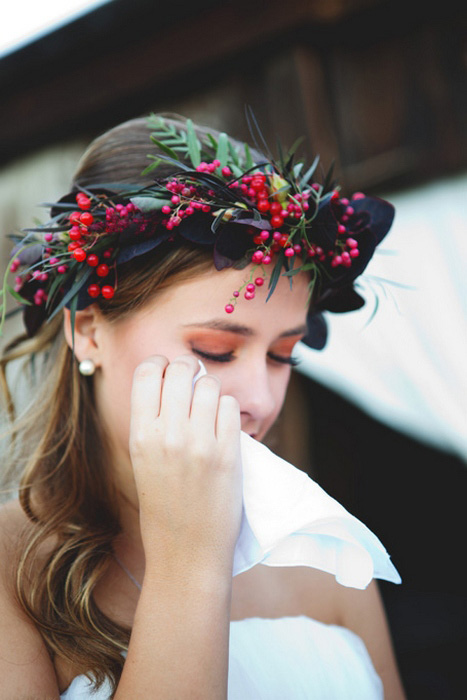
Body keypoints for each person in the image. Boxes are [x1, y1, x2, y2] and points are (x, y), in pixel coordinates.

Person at [0, 114, 406, 699]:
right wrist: (189, 565)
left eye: (282, 356)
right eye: (214, 351)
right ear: (88, 331)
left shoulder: (325, 555)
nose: (261, 401)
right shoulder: (13, 574)